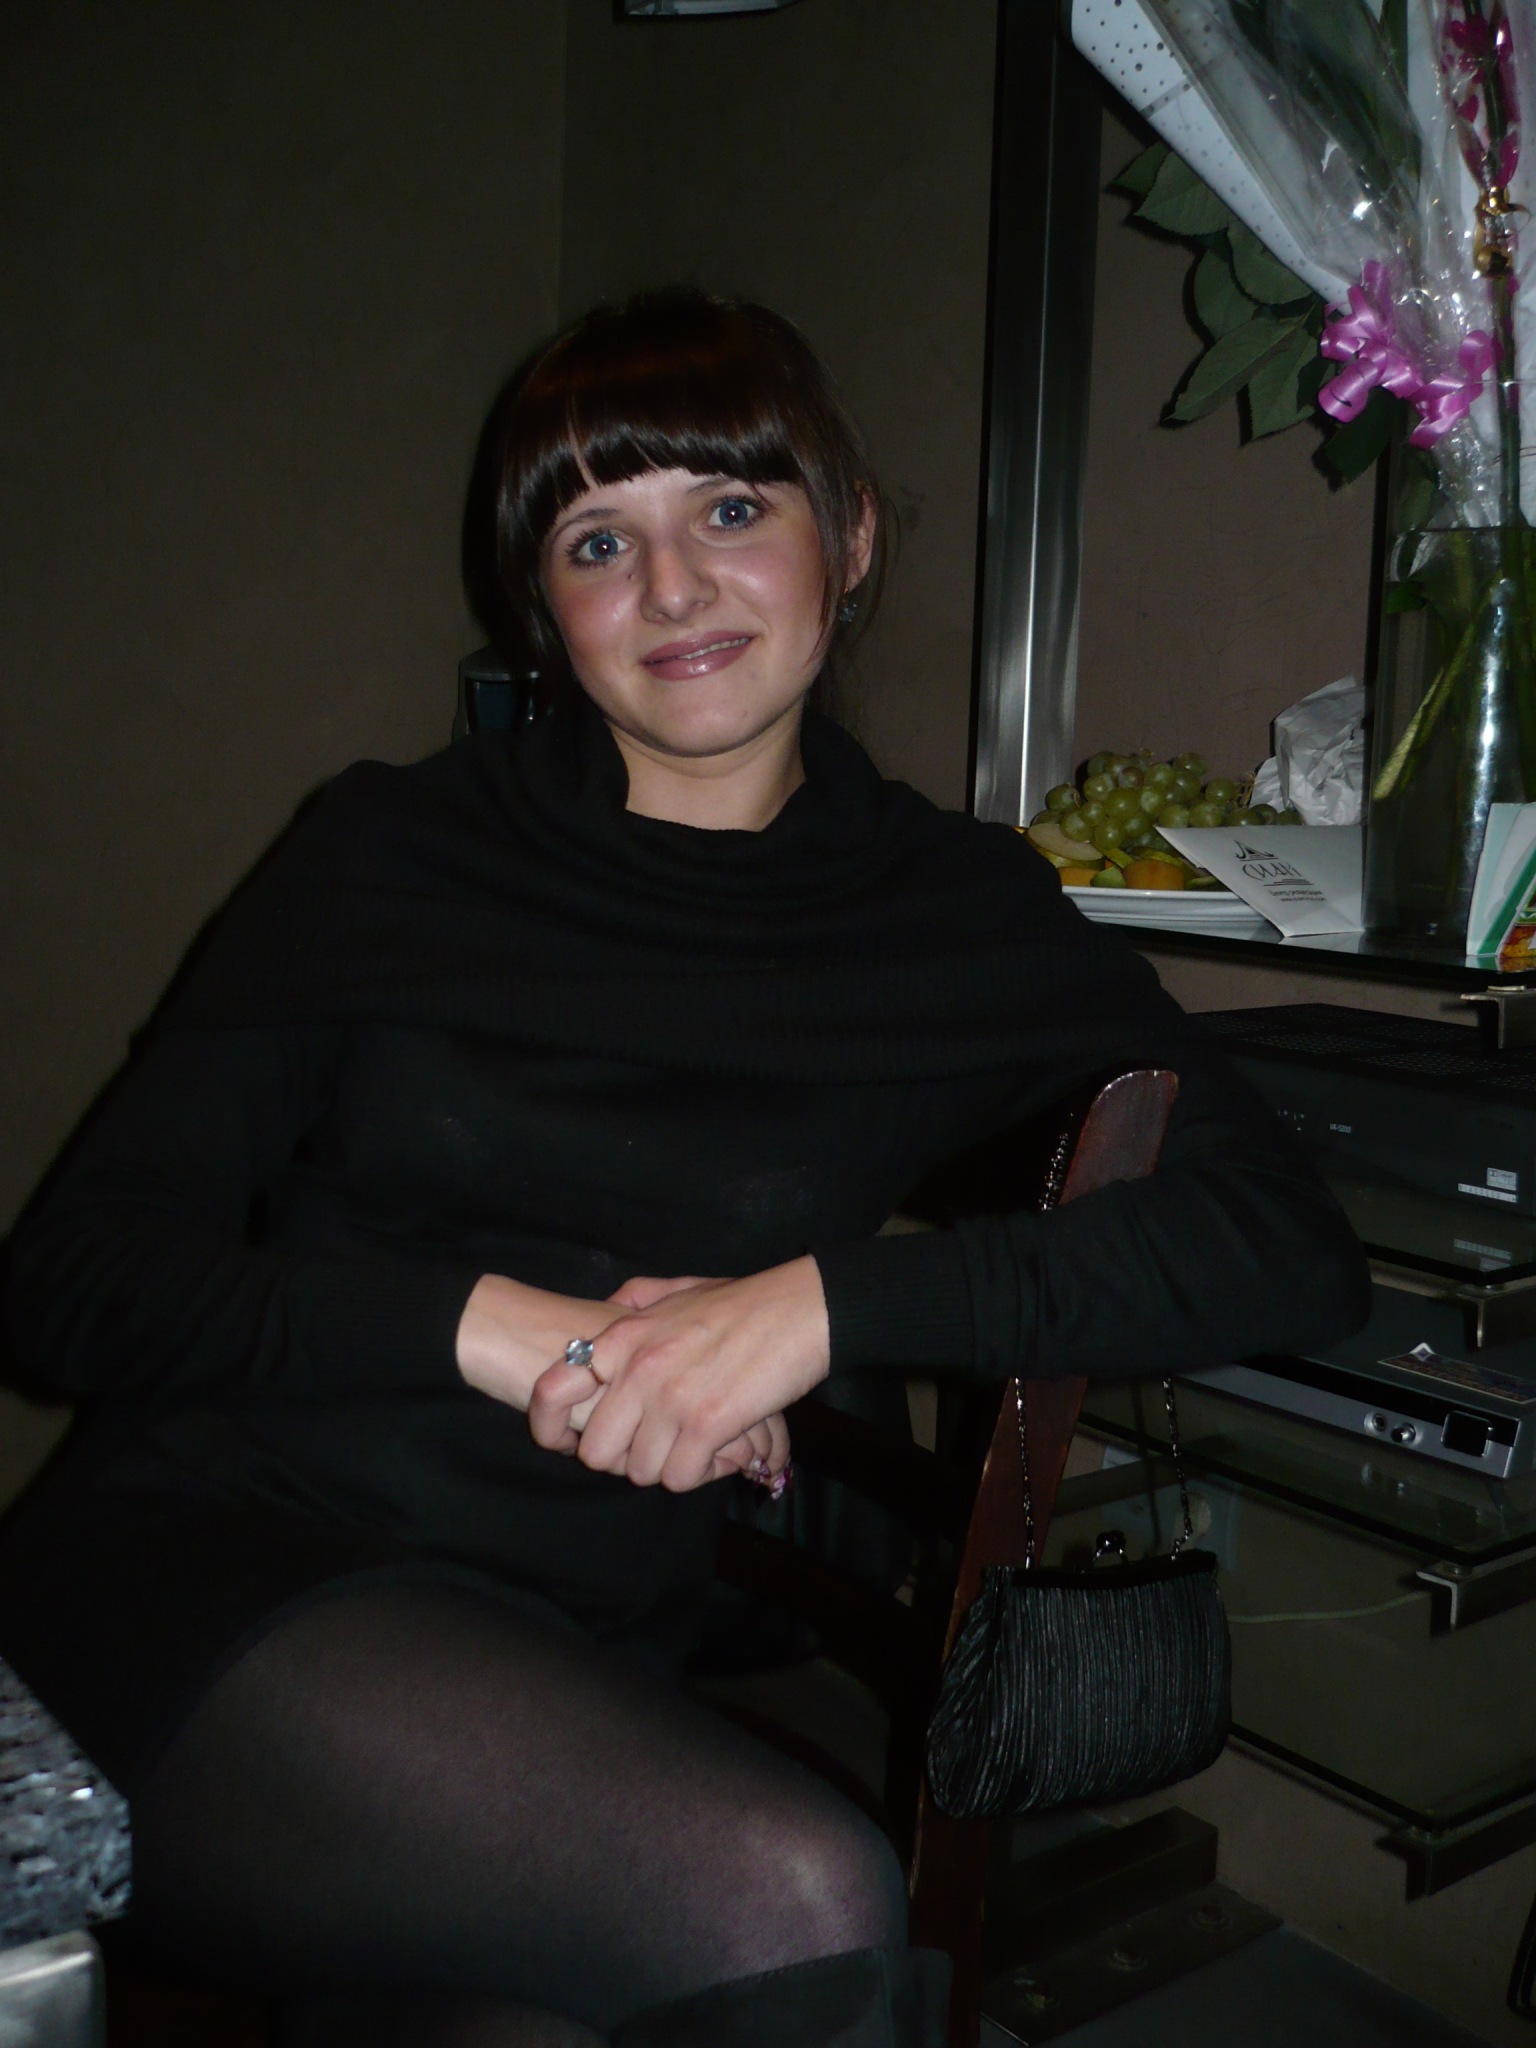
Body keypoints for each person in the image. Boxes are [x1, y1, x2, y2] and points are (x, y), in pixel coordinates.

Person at [0, 288, 1369, 2048]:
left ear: (848, 537)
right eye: (598, 541)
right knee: (786, 1900)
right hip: (205, 1584)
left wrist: (811, 1312)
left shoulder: (948, 919)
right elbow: (72, 1281)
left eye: (730, 508)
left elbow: (1284, 1244)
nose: (672, 589)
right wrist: (505, 1330)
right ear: (543, 602)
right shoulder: (392, 850)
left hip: (564, 1646)